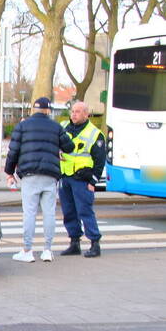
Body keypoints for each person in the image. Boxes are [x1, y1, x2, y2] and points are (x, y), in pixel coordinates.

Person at [4, 96, 75, 263]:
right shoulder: (56, 127)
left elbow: (13, 151)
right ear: (48, 110)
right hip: (50, 175)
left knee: (29, 213)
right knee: (49, 213)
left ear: (33, 110)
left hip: (29, 175)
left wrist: (9, 172)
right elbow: (69, 147)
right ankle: (47, 250)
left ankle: (27, 250)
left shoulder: (22, 126)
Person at [59, 100, 105, 258]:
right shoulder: (64, 127)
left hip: (82, 179)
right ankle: (74, 243)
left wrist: (93, 181)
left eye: (78, 111)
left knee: (85, 211)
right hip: (65, 177)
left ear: (86, 114)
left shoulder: (94, 133)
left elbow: (100, 160)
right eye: (72, 111)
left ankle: (94, 243)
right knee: (69, 212)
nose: (74, 114)